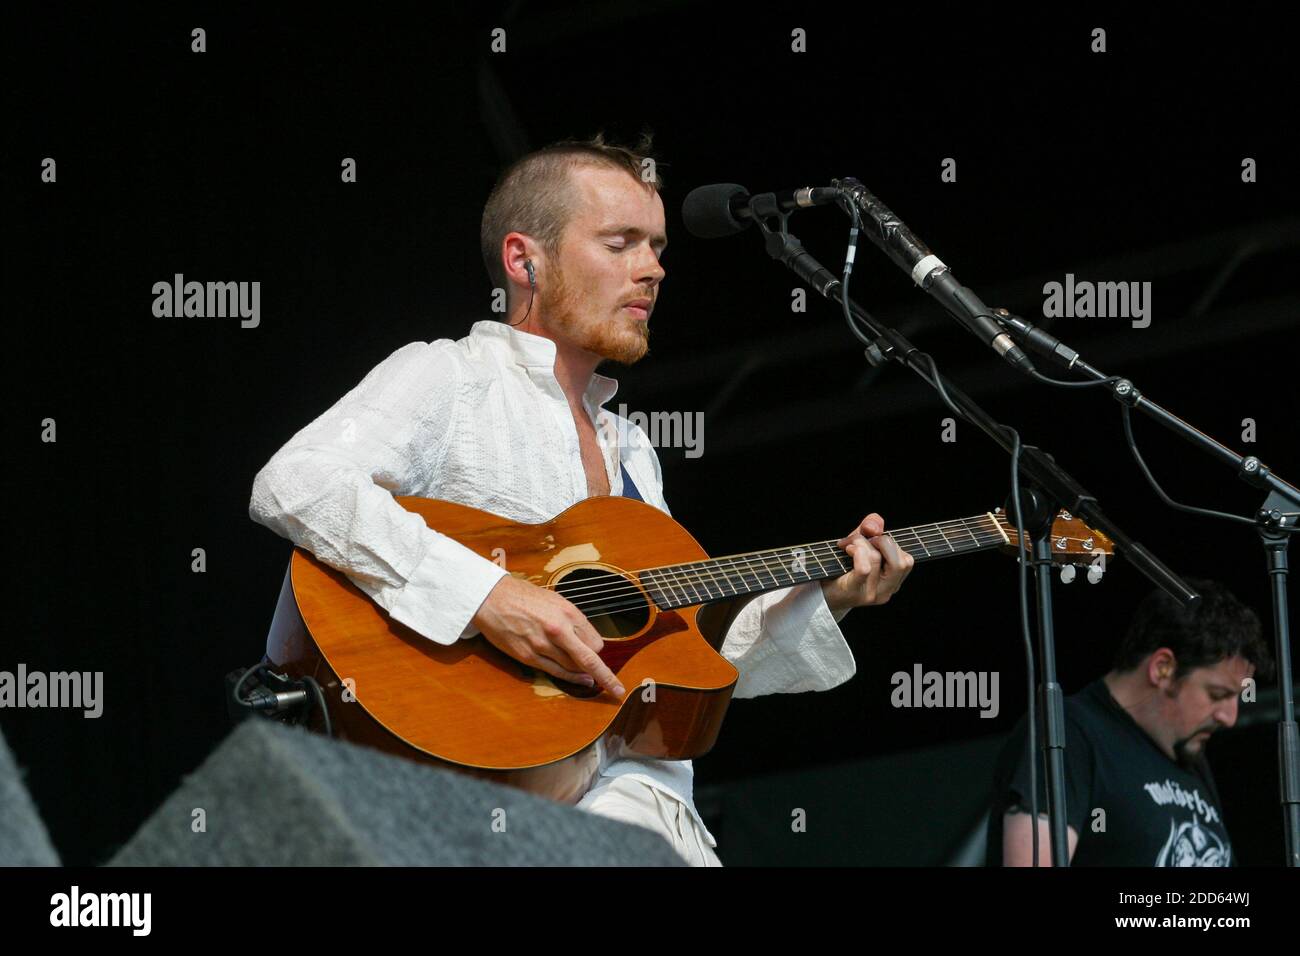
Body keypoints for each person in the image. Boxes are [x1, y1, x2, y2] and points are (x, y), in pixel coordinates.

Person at [248, 133, 915, 866]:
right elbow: (297, 482)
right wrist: (489, 596)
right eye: (621, 243)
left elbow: (678, 661)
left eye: (657, 246)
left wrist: (832, 596)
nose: (653, 269)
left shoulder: (633, 452)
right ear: (523, 259)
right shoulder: (450, 378)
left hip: (627, 800)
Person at [986, 578, 1273, 866]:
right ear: (1163, 668)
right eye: (1217, 694)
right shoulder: (1068, 732)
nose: (1230, 717)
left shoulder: (1186, 753)